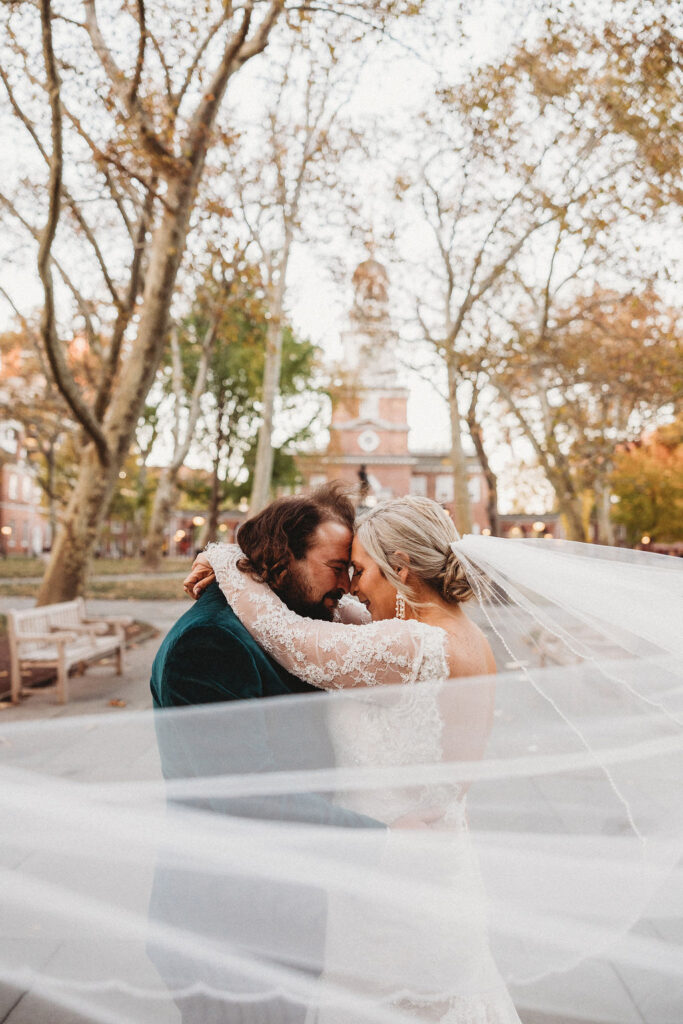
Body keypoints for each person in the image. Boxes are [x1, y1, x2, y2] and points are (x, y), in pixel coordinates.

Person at [187, 495, 520, 1024]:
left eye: (359, 570)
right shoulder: (463, 637)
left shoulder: (416, 648)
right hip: (442, 858)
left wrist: (230, 562)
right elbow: (352, 624)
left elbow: (292, 641)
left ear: (402, 569)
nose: (352, 586)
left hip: (394, 876)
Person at [149, 482, 387, 1024]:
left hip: (284, 912)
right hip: (226, 928)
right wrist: (386, 842)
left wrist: (225, 558)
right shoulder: (209, 643)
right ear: (283, 559)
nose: (347, 588)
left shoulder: (290, 620)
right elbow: (247, 794)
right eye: (336, 567)